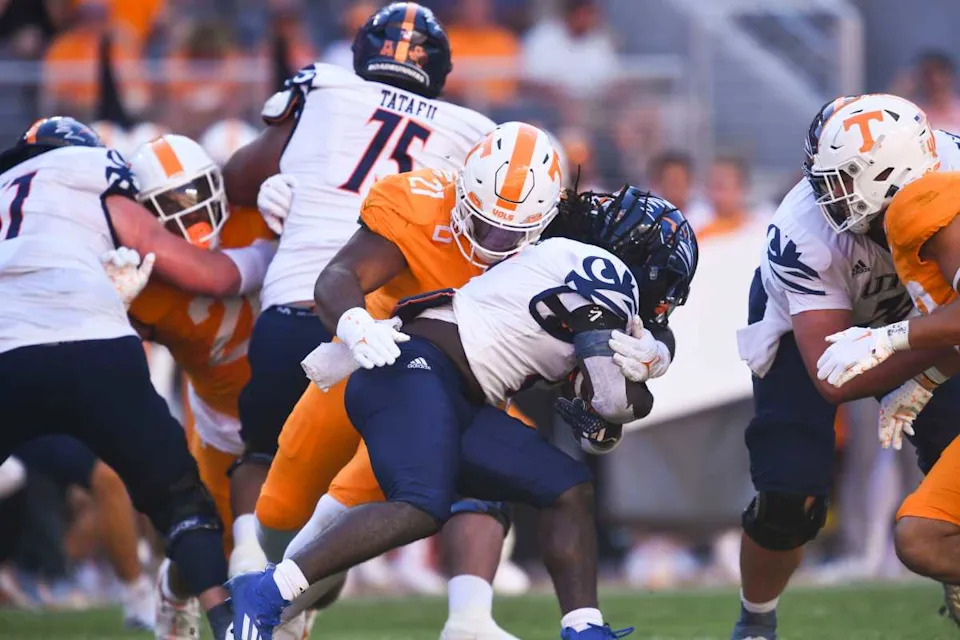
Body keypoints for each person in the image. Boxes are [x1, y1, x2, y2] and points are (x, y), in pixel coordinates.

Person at [256, 123, 674, 638]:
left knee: (535, 483)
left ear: (544, 222)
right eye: (484, 225)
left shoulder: (560, 250)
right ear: (462, 190)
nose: (495, 243)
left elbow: (597, 355)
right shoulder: (419, 202)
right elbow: (339, 277)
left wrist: (652, 353)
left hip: (466, 386)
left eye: (512, 234)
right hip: (375, 348)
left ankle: (478, 620)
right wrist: (355, 323)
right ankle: (268, 590)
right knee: (283, 510)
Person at [220, 0, 492, 590]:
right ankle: (466, 614)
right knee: (461, 465)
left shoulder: (325, 87)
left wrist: (277, 181)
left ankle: (249, 556)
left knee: (264, 456)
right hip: (393, 335)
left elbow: (237, 178)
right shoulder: (473, 132)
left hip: (295, 308)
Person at [0, 116, 274, 640]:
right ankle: (229, 626)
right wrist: (271, 256)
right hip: (91, 337)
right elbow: (206, 272)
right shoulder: (96, 172)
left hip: (6, 348)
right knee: (180, 501)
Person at [731, 94, 960, 640]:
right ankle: (755, 622)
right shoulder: (805, 231)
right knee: (788, 497)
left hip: (921, 321)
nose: (823, 194)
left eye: (840, 180)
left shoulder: (945, 183)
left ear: (896, 170)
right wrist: (929, 351)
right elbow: (836, 376)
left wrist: (917, 355)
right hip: (816, 329)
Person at [122, 134, 279, 640]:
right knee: (215, 550)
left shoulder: (260, 216)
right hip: (218, 419)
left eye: (196, 193)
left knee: (300, 534)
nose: (190, 212)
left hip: (287, 400)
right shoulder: (139, 278)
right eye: (171, 204)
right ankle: (173, 584)